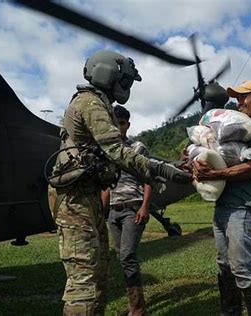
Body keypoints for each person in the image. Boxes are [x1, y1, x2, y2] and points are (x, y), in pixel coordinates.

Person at [49, 50, 191, 316]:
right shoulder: (90, 103)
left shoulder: (98, 104)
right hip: (75, 198)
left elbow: (118, 152)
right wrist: (165, 170)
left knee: (99, 270)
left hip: (86, 195)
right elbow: (117, 151)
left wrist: (170, 164)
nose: (126, 88)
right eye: (125, 81)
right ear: (109, 76)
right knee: (84, 278)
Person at [192, 80, 251, 316]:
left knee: (241, 265)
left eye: (244, 97)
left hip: (244, 205)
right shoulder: (238, 126)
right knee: (224, 264)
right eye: (237, 98)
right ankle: (230, 312)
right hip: (224, 203)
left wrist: (217, 173)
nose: (238, 102)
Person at [101, 105, 150, 315]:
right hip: (113, 211)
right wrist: (102, 214)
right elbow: (105, 187)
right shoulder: (107, 151)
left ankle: (138, 309)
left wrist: (145, 206)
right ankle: (134, 304)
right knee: (122, 256)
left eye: (121, 123)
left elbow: (149, 178)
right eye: (114, 123)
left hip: (134, 207)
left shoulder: (137, 148)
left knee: (127, 256)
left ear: (127, 125)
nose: (118, 127)